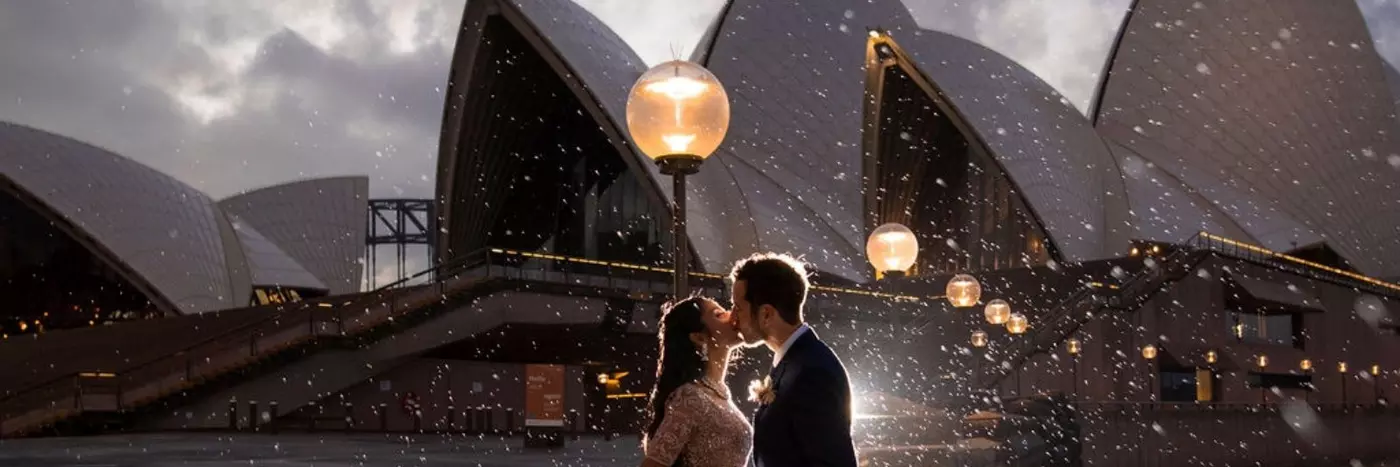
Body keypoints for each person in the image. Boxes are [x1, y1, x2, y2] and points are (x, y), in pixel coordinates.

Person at [728, 253, 858, 467]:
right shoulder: (794, 362)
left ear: (766, 314)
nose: (732, 317)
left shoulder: (813, 373)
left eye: (738, 308)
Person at [640, 296, 752, 467]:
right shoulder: (691, 397)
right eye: (718, 314)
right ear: (699, 338)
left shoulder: (720, 395)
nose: (731, 315)